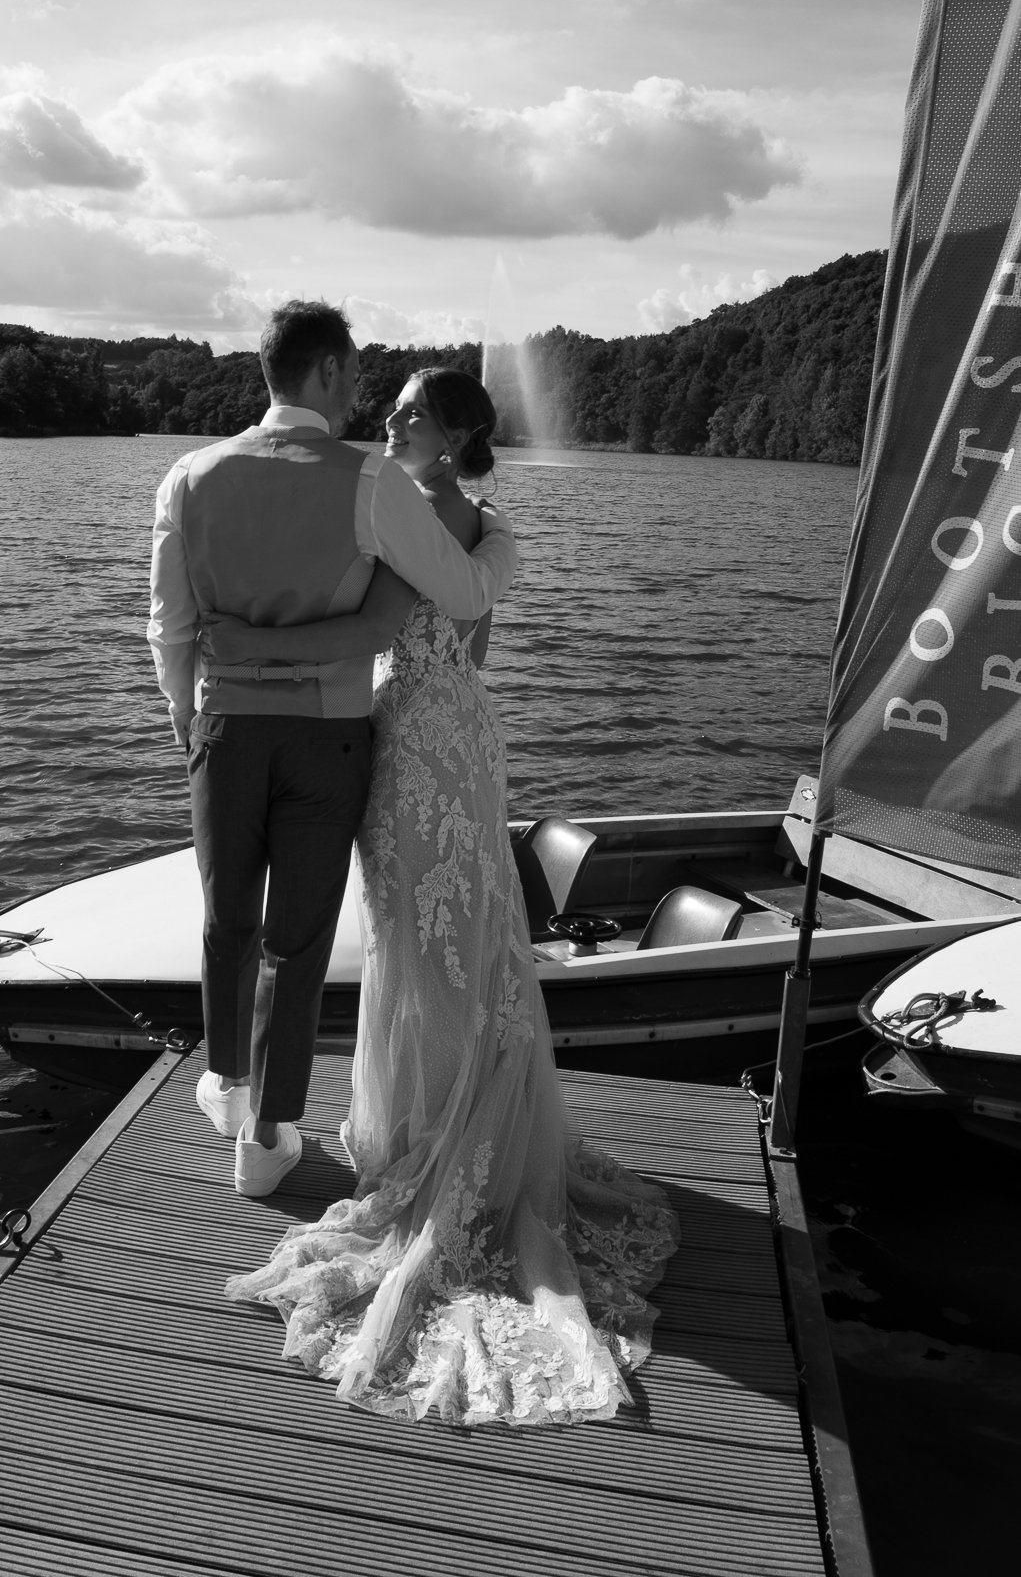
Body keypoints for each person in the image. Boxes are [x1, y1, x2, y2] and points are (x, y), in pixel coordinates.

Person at [207, 368, 679, 1425]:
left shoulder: (389, 513)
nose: (393, 420)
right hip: (461, 735)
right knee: (460, 939)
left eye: (415, 411)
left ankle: (436, 1136)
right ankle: (451, 1118)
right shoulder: (485, 526)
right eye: (394, 408)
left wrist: (244, 646)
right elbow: (467, 639)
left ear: (460, 428)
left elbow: (368, 633)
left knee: (426, 946)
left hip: (413, 746)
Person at [146, 304, 519, 1200]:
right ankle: (268, 1136)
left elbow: (169, 626)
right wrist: (502, 538)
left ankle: (225, 1086)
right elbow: (463, 587)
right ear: (320, 375)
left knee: (224, 917)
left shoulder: (188, 475)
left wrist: (182, 710)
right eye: (353, 376)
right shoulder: (370, 480)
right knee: (300, 937)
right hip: (332, 735)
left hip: (225, 727)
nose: (362, 395)